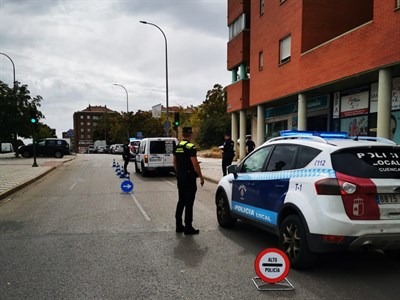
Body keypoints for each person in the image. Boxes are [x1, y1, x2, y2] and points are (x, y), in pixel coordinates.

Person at [173, 127, 204, 235]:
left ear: (182, 135)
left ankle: (178, 225)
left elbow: (174, 162)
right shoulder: (191, 147)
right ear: (190, 135)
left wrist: (179, 173)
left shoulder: (177, 146)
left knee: (181, 200)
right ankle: (188, 227)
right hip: (189, 177)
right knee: (189, 202)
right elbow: (195, 163)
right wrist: (201, 176)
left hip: (180, 177)